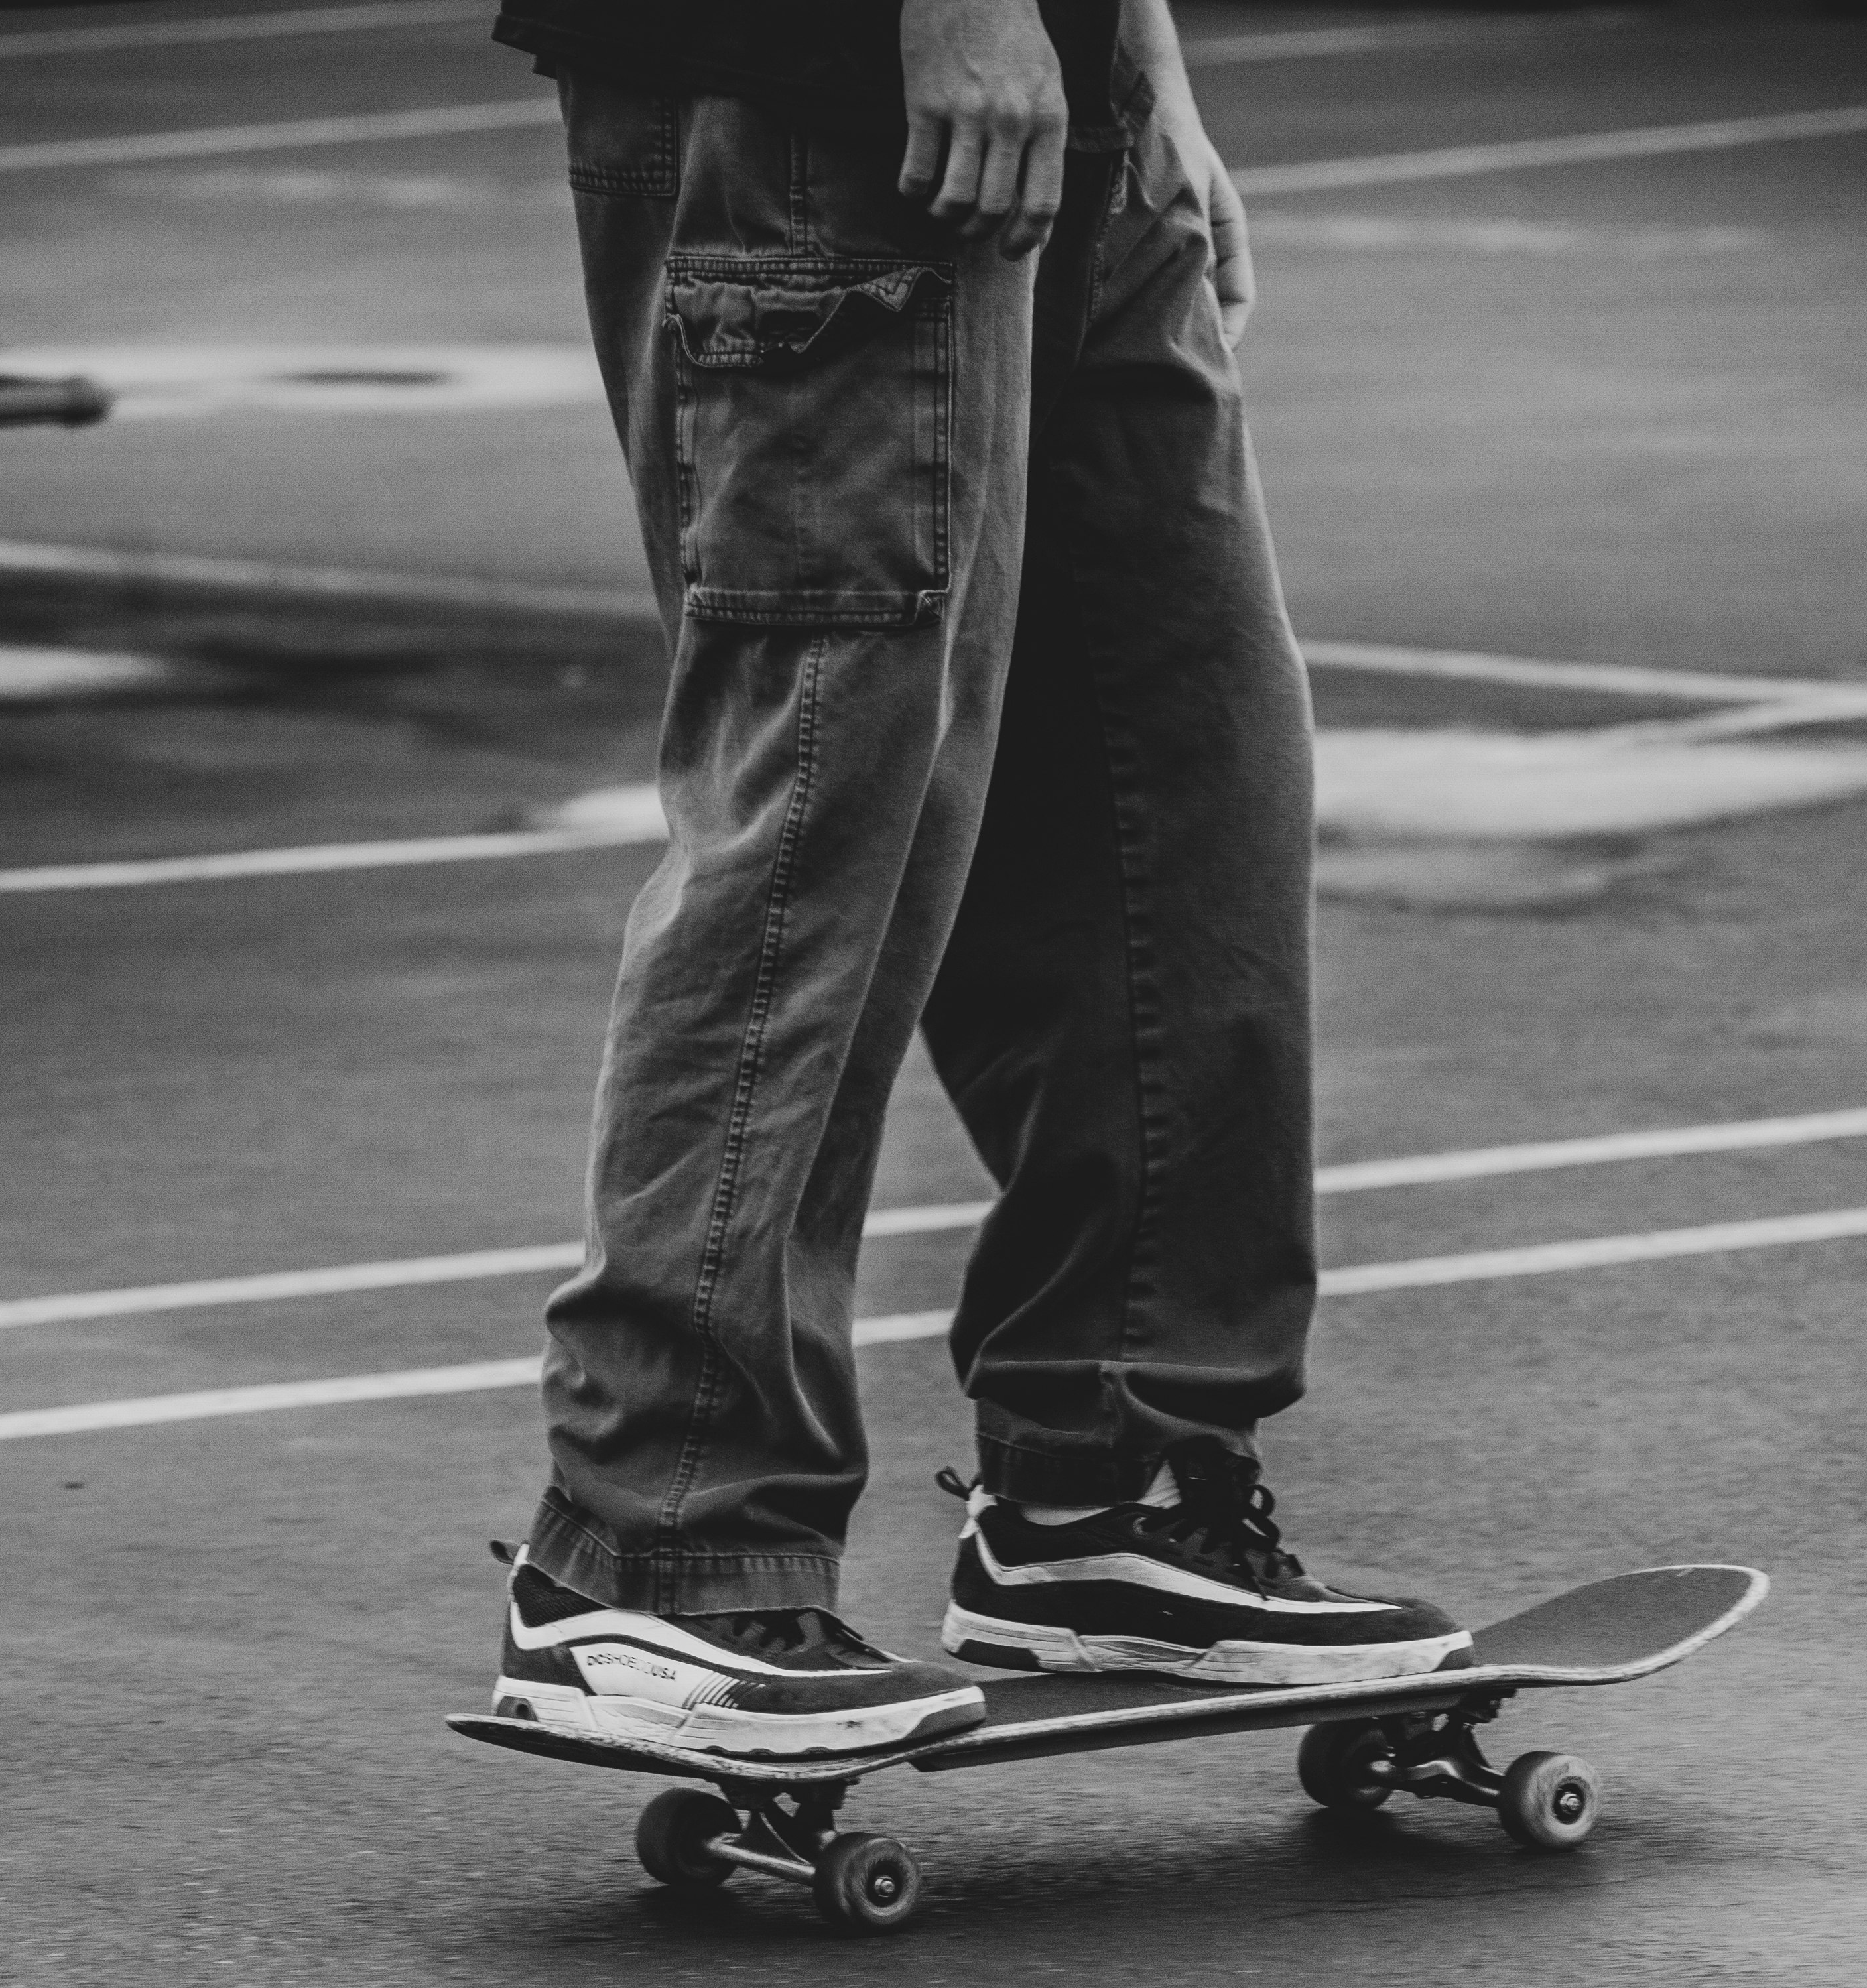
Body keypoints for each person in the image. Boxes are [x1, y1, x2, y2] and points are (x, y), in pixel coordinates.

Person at [485, 0, 1470, 1766]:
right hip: (824, 80)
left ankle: (1109, 1488)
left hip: (1059, 80)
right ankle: (662, 1548)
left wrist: (1138, 49)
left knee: (1180, 768)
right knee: (823, 803)